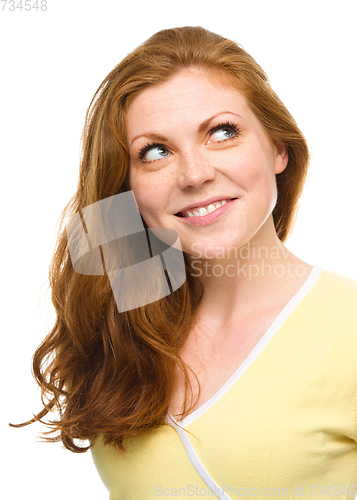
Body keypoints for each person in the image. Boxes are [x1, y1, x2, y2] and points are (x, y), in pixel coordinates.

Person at [11, 27, 357, 499]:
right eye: (156, 152)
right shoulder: (124, 321)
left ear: (278, 148)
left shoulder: (348, 328)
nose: (195, 174)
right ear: (126, 187)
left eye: (222, 132)